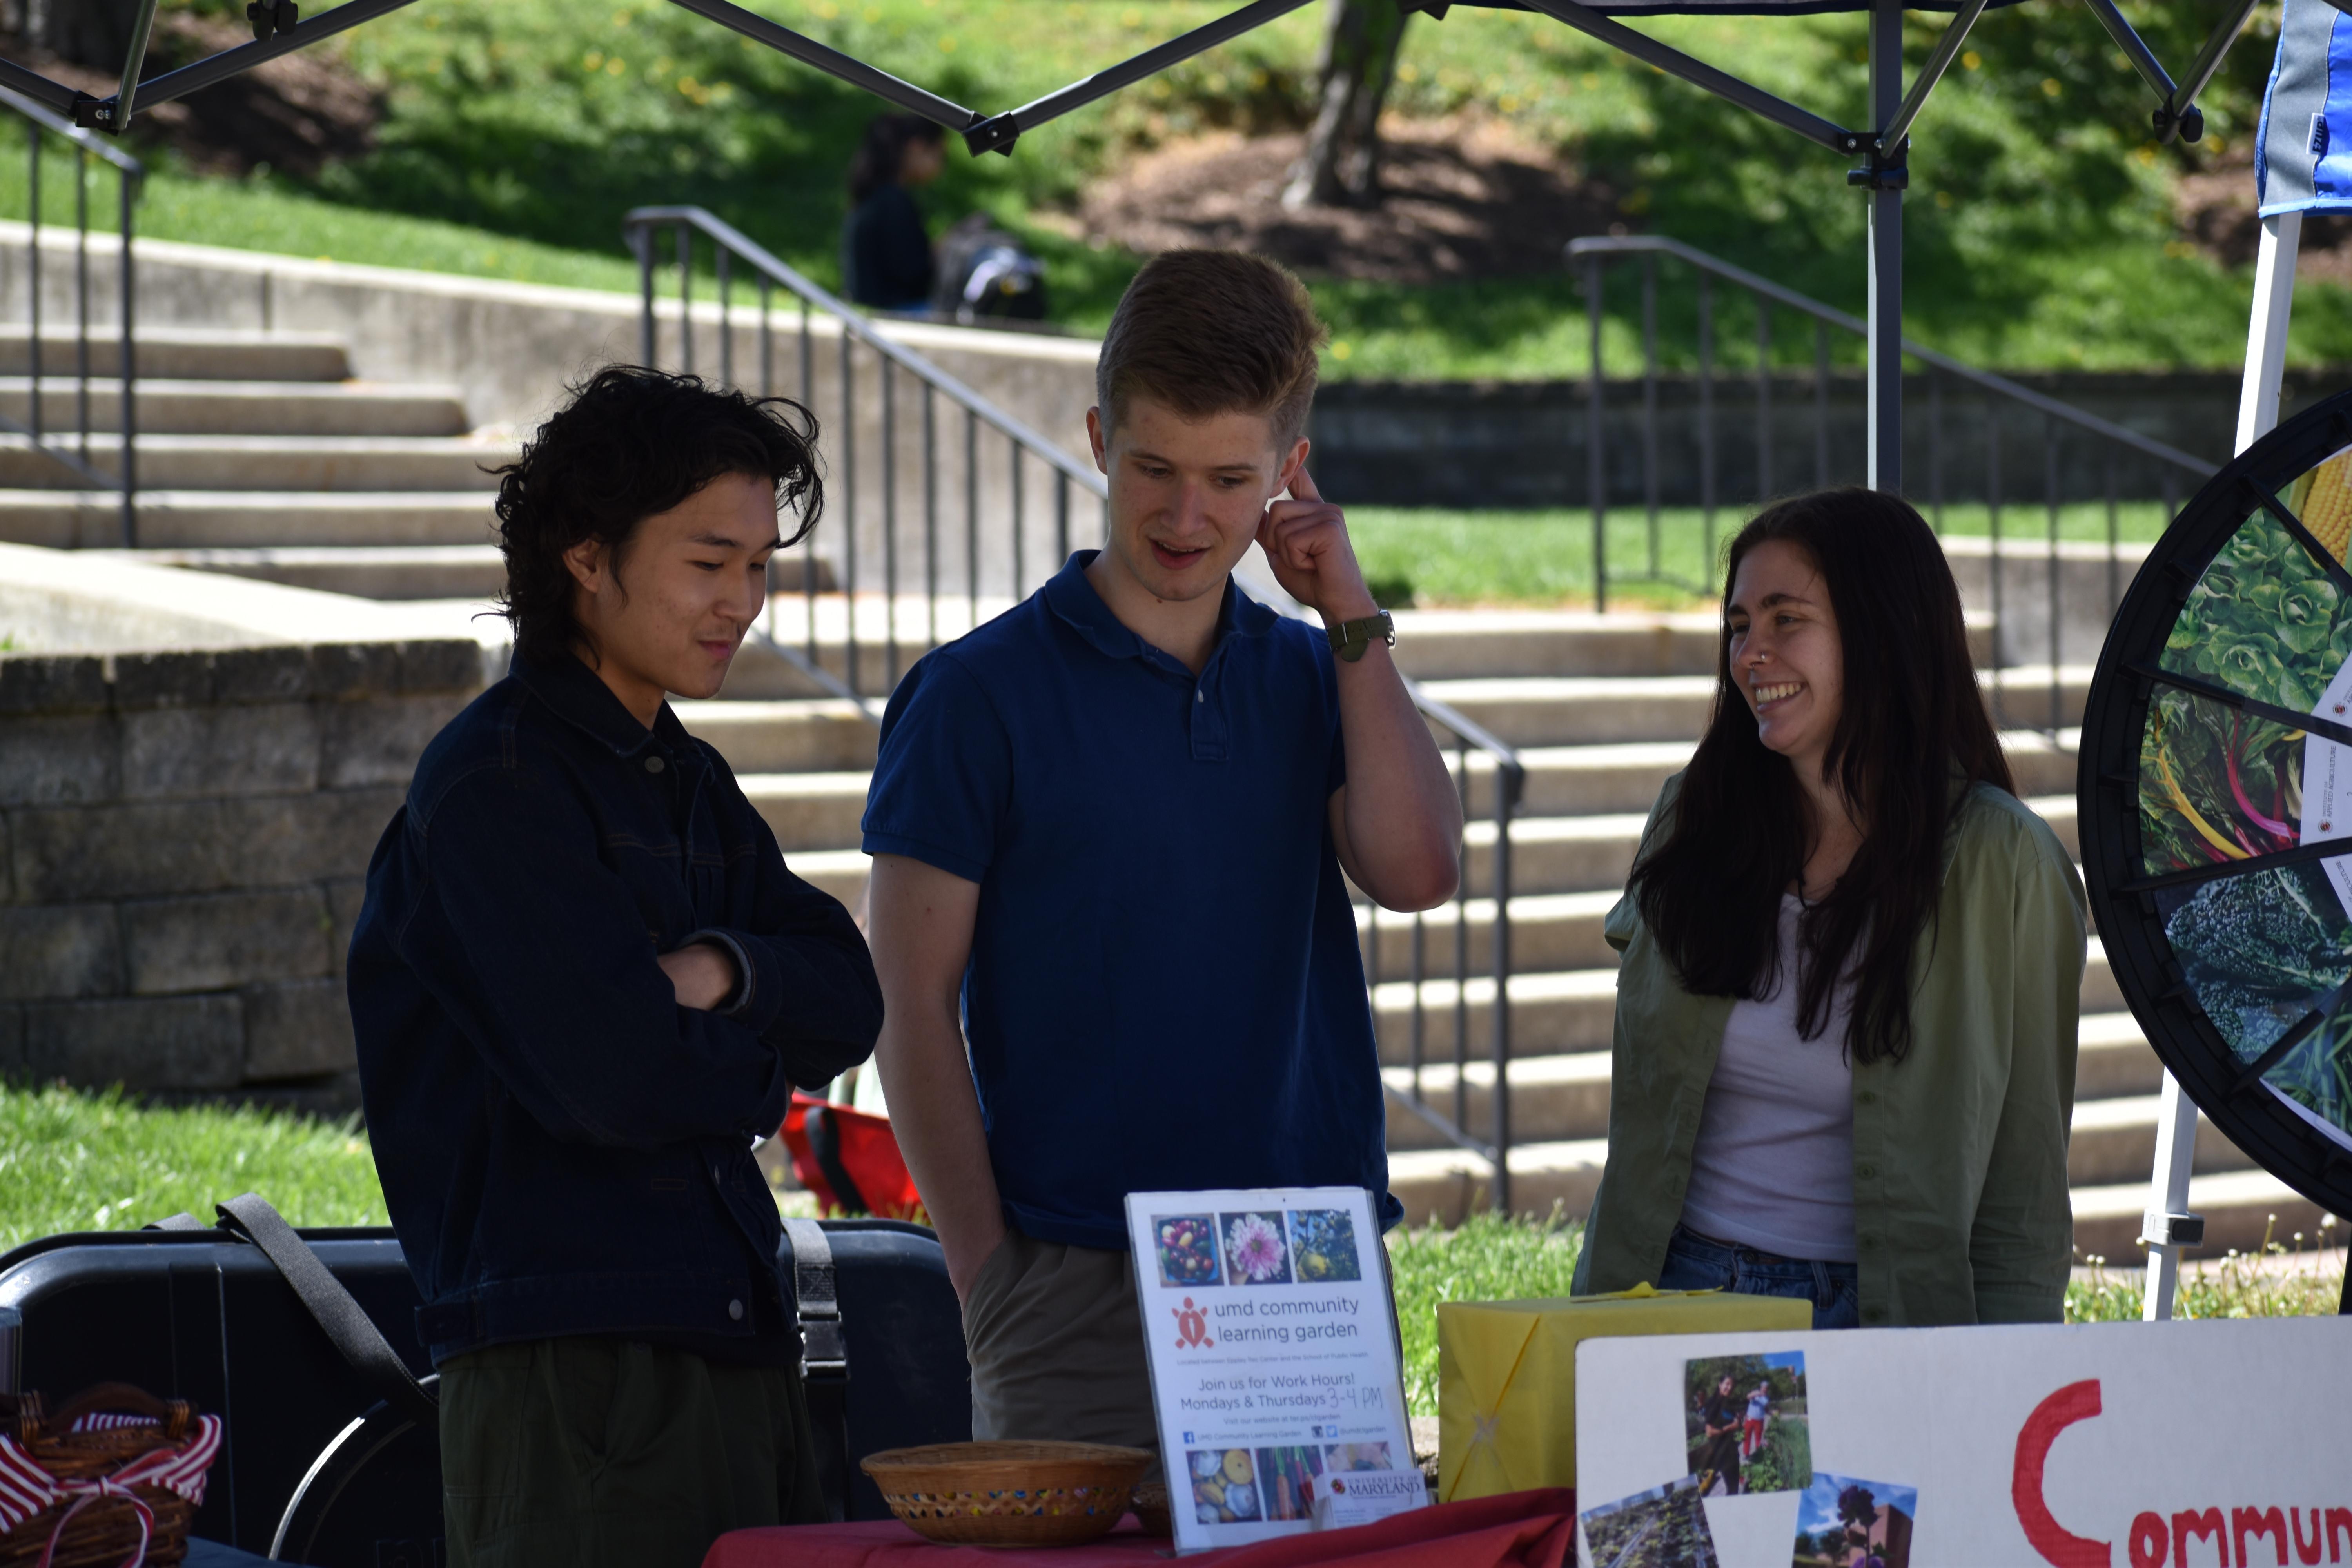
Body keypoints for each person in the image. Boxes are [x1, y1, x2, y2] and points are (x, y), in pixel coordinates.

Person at [860, 249, 1463, 1468]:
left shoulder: (1315, 675)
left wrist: (1345, 608)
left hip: (1300, 1273)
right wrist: (987, 1276)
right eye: (1154, 469)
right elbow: (906, 1002)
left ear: (1289, 475)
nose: (1187, 518)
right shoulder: (974, 695)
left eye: (1229, 480)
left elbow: (1415, 870)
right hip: (1069, 1279)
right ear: (1095, 436)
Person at [346, 367, 885, 1568]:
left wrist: (714, 973)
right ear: (586, 559)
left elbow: (847, 993)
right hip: (571, 1376)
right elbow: (615, 1077)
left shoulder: (682, 774)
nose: (741, 600)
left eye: (756, 565)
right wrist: (758, 1061)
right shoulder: (496, 786)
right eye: (708, 562)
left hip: (731, 1342)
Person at [1570, 487, 2085, 1328]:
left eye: (1787, 619)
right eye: (1739, 625)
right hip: (1666, 1294)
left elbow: (2023, 1189)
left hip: (1873, 1318)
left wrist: (2006, 1381)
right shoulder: (1690, 816)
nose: (1751, 654)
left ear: (1883, 630)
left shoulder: (2007, 860)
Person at [842, 113, 947, 312]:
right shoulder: (893, 201)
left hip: (868, 308)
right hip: (895, 312)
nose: (941, 166)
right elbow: (912, 271)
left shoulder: (872, 195)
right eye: (939, 154)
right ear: (917, 147)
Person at [1693, 1373, 1745, 1497]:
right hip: (1722, 1454)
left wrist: (1738, 1422)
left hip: (1732, 1451)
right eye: (1727, 1384)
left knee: (1734, 1487)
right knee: (1732, 1490)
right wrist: (1730, 1427)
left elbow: (1732, 1424)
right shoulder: (1713, 1403)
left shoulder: (1727, 1403)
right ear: (1720, 1384)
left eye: (1732, 1385)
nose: (1730, 1388)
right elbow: (1710, 1432)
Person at [1741, 1379, 1771, 1461]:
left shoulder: (1767, 1398)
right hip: (1750, 1419)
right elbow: (1748, 1397)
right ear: (1761, 1388)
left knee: (1759, 1438)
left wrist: (1773, 1413)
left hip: (1760, 1420)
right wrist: (1757, 1394)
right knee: (1747, 1437)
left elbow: (1766, 1409)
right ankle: (1746, 1455)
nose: (1765, 1389)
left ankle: (1759, 1454)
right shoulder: (1756, 1393)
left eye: (1766, 1388)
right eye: (1764, 1388)